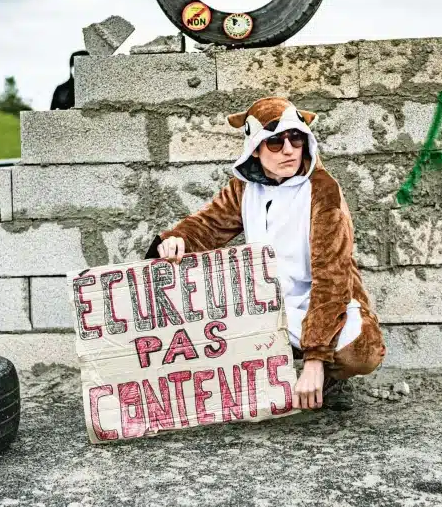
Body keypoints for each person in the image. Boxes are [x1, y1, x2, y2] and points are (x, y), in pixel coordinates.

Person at [146, 97, 386, 411]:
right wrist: (177, 238)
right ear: (256, 148)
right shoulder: (244, 188)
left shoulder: (322, 190)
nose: (288, 150)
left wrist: (315, 358)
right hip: (266, 304)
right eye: (274, 142)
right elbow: (208, 225)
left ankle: (326, 377)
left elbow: (332, 276)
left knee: (361, 352)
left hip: (322, 302)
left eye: (295, 138)